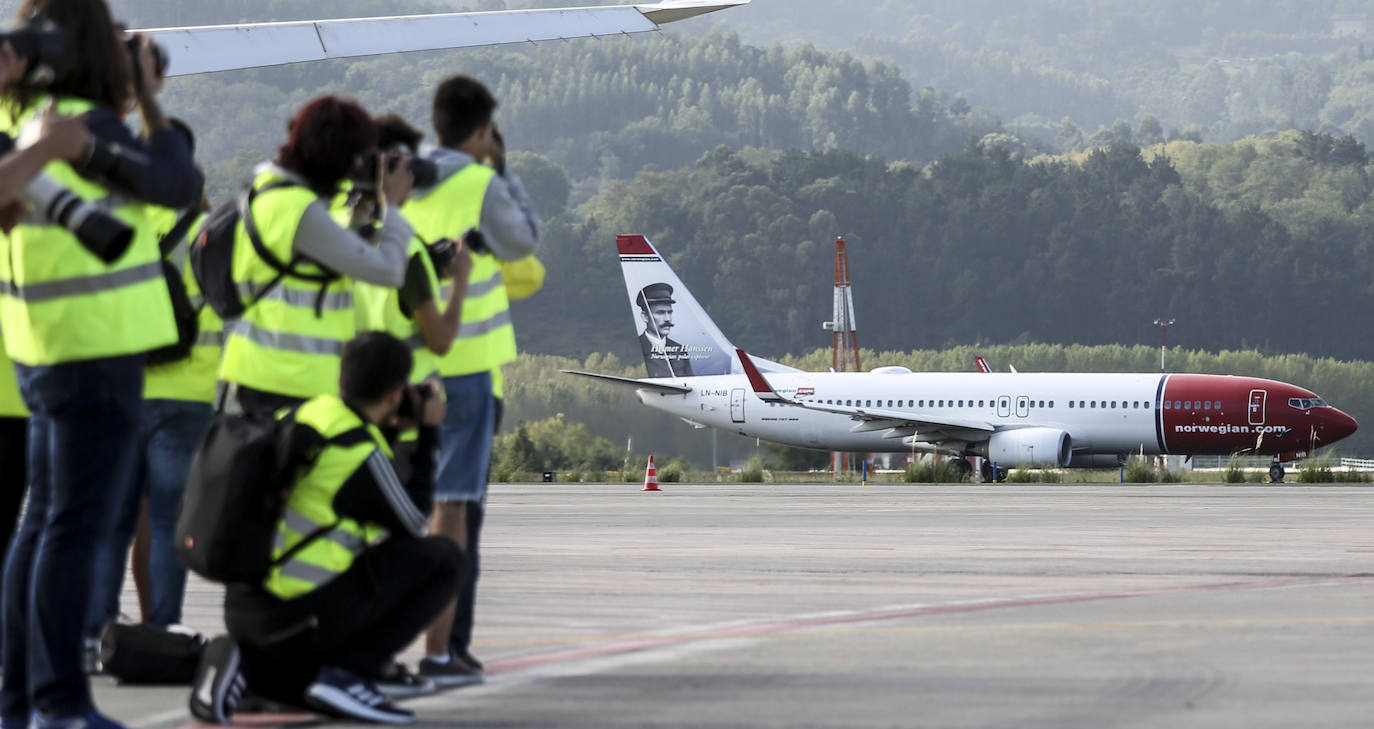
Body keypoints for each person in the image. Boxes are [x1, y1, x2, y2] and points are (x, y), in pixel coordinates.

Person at [0, 1, 202, 728]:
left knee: (42, 525)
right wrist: (146, 94)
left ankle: (22, 699)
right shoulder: (87, 129)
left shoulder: (22, 123)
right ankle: (59, 703)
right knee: (72, 530)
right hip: (98, 349)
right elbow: (179, 180)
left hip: (40, 349)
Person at [189, 332, 461, 726]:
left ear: (340, 379)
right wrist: (429, 433)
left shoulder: (307, 415)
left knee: (297, 680)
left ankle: (246, 665)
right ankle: (350, 675)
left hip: (246, 608)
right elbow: (414, 521)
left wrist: (391, 428)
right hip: (297, 615)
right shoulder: (357, 451)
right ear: (395, 394)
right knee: (444, 559)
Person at [400, 74, 539, 687]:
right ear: (484, 130)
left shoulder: (399, 178)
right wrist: (502, 169)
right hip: (466, 366)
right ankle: (444, 650)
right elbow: (523, 242)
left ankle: (390, 646)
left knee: (402, 509)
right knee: (458, 515)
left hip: (401, 366)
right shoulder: (479, 181)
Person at [87, 120, 222, 650]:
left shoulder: (118, 220)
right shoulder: (207, 229)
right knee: (168, 517)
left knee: (113, 519)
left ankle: (96, 628)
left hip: (121, 389)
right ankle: (164, 625)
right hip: (187, 392)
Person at [218, 96, 413, 419]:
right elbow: (388, 272)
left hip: (268, 374)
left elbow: (315, 264)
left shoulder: (268, 193)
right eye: (355, 157)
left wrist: (362, 207)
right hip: (288, 381)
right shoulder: (298, 210)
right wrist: (391, 205)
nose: (355, 168)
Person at [636, 282, 694, 378]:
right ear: (645, 316)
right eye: (661, 313)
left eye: (670, 312)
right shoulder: (637, 348)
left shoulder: (680, 350)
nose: (667, 318)